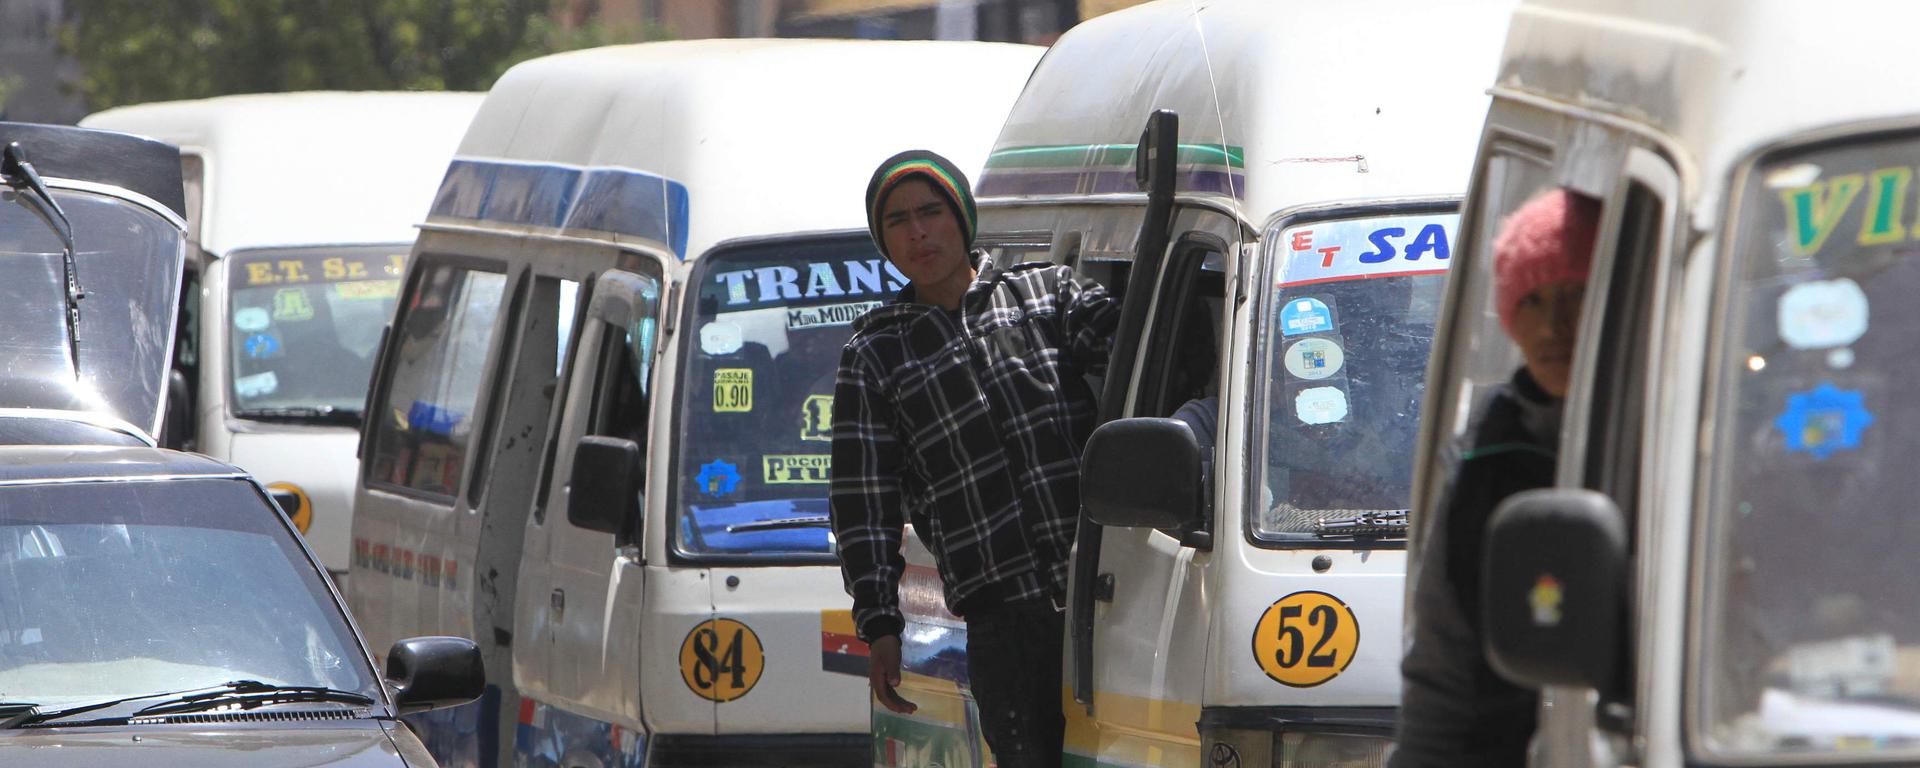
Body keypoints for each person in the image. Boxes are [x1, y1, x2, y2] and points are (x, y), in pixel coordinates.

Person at [830, 149, 1118, 768]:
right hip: (1002, 620)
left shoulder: (1047, 295)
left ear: (962, 216)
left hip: (1107, 600)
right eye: (899, 221)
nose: (919, 232)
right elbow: (863, 499)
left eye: (931, 212)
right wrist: (879, 623)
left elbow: (1136, 354)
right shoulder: (876, 352)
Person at [1394, 187, 1598, 767]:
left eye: (1576, 295)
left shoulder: (1669, 429)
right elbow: (1443, 661)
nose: (1555, 324)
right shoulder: (1486, 456)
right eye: (1534, 301)